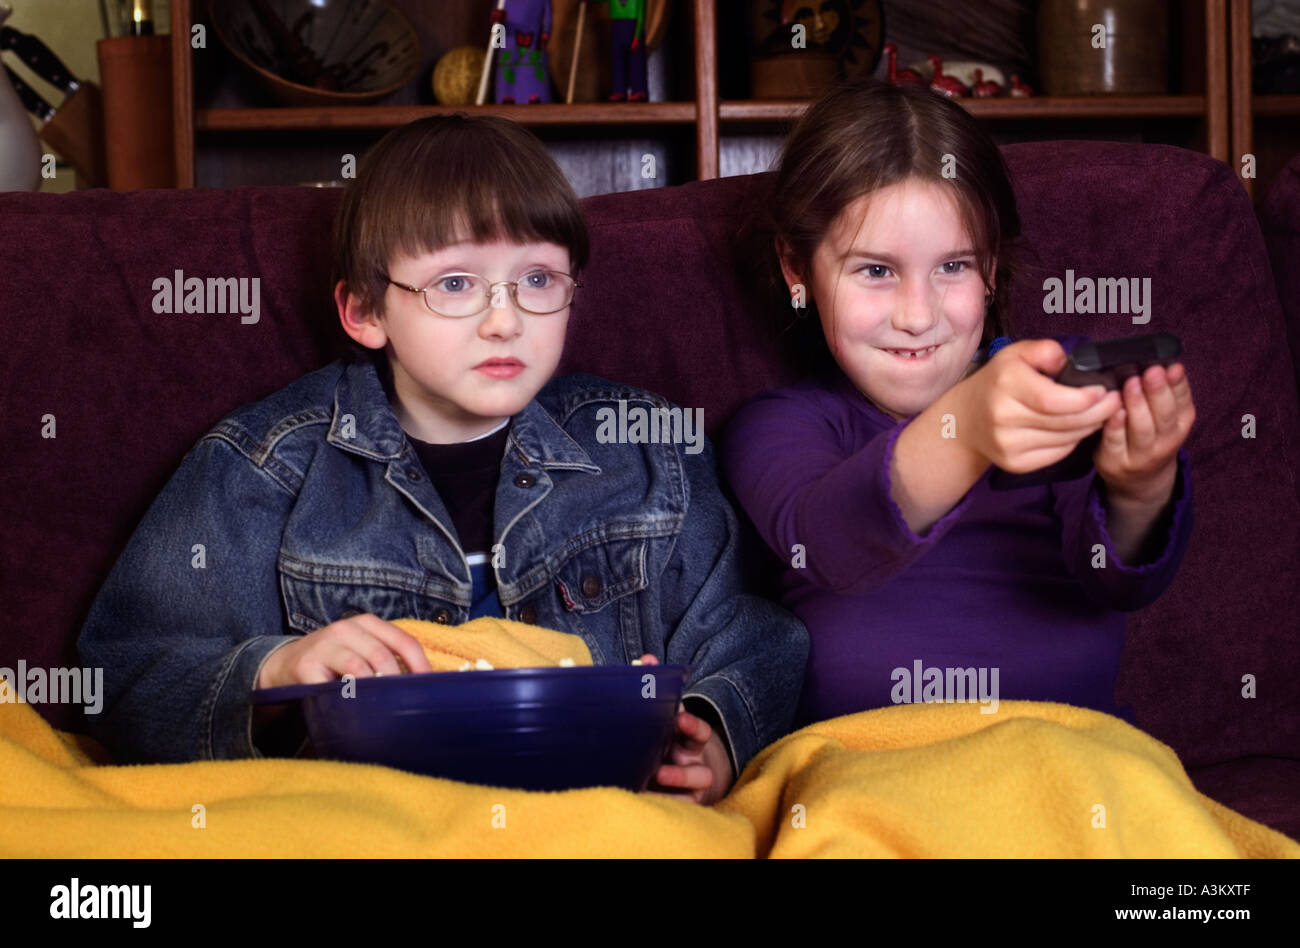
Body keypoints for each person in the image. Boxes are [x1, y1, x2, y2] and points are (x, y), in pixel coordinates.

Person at [78, 114, 807, 805]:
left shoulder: (644, 443)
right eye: (455, 284)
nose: (505, 318)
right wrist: (275, 670)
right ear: (365, 311)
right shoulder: (265, 464)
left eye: (538, 279)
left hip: (587, 807)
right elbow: (125, 673)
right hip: (371, 817)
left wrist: (712, 734)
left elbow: (753, 633)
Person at [722, 77, 1194, 728]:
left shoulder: (1050, 385)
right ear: (796, 268)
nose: (918, 316)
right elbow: (828, 541)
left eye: (953, 267)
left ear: (992, 268)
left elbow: (1121, 580)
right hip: (866, 773)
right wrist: (965, 429)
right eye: (876, 271)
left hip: (1068, 761)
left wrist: (1140, 483)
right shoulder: (778, 426)